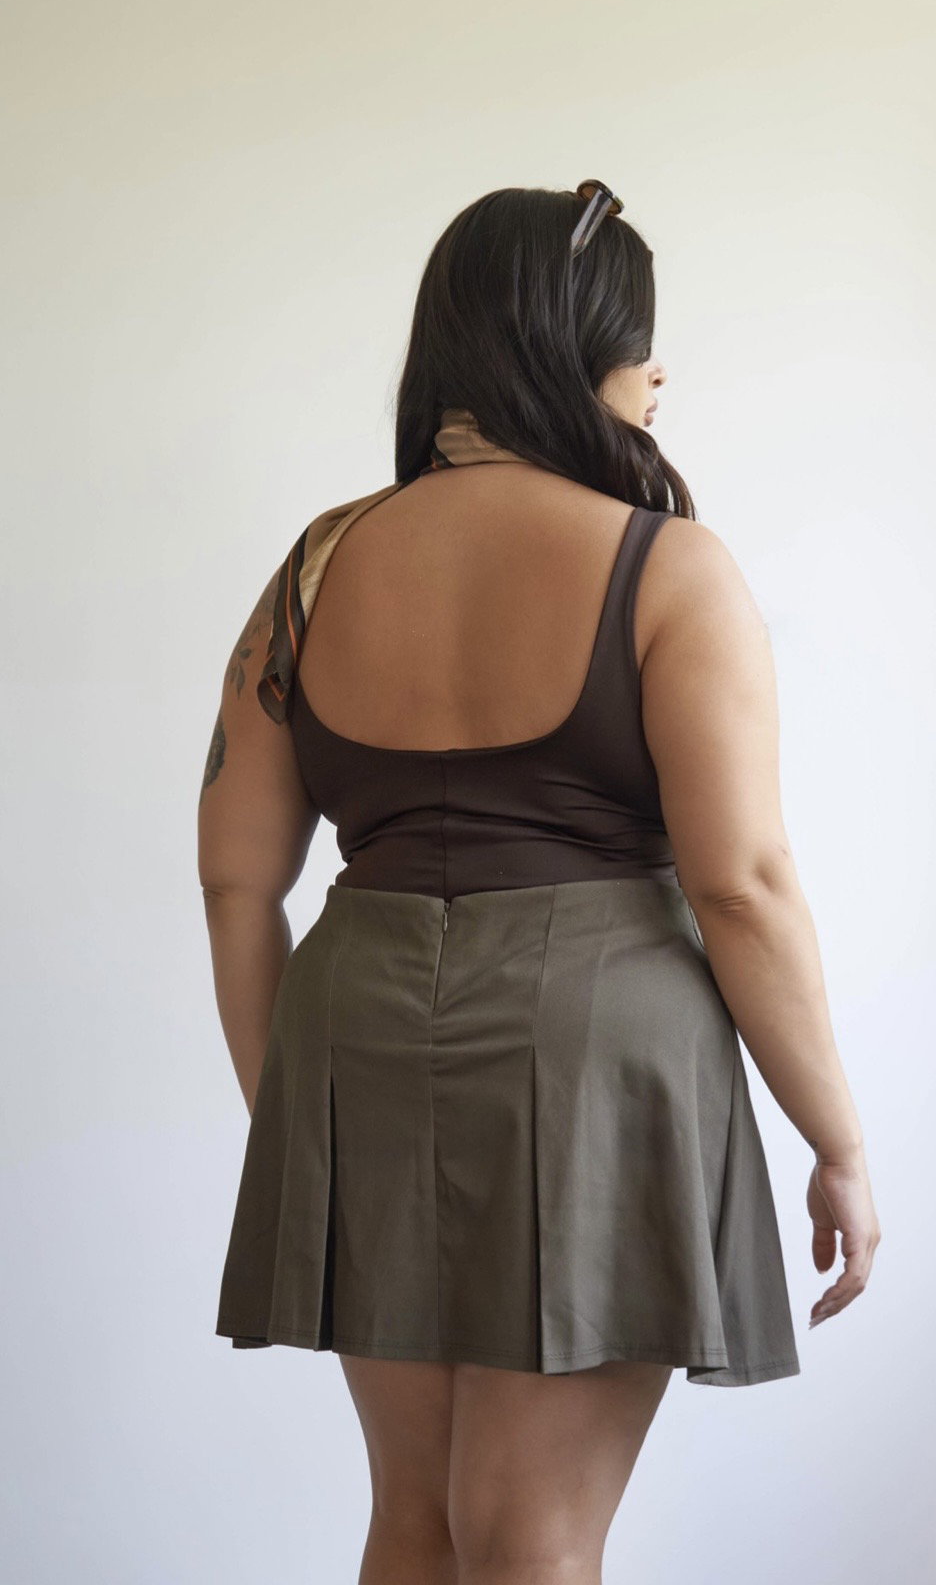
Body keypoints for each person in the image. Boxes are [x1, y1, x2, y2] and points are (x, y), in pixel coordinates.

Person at [197, 180, 881, 1585]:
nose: (659, 373)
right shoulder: (665, 566)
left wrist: (298, 1122)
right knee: (535, 1534)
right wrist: (840, 1142)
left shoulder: (313, 571)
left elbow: (234, 882)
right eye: (639, 340)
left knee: (416, 1518)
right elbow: (743, 885)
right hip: (592, 1043)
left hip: (358, 1035)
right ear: (574, 350)